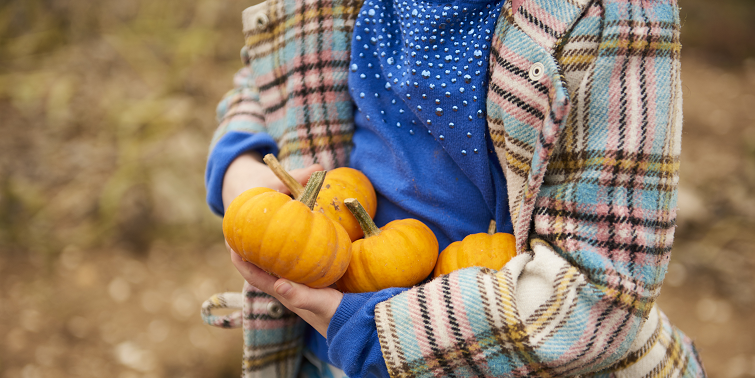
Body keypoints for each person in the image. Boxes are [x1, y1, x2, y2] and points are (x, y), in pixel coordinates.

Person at [203, 0, 707, 376]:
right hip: (324, 337)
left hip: (495, 350)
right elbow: (268, 73)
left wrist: (368, 331)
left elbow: (600, 288)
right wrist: (241, 169)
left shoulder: (612, 17)